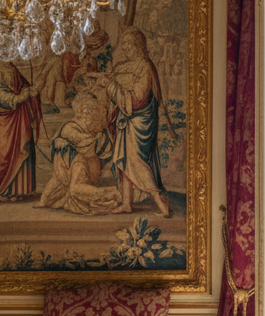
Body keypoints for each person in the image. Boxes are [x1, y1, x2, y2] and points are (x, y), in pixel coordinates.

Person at [102, 28, 176, 217]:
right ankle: (127, 203)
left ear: (138, 46)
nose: (124, 48)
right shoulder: (125, 65)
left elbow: (138, 100)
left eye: (128, 44)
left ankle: (160, 202)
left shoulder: (144, 66)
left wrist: (111, 87)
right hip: (125, 120)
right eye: (123, 44)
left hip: (139, 121)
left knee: (136, 161)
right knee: (124, 160)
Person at [38, 94, 119, 215]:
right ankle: (108, 193)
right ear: (85, 113)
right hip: (65, 171)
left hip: (83, 168)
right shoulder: (70, 127)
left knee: (75, 190)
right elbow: (87, 142)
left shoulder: (86, 134)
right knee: (46, 200)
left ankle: (113, 193)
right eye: (95, 116)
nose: (96, 122)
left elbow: (98, 148)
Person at [0, 61, 42, 205]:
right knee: (5, 153)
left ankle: (17, 190)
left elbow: (23, 86)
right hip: (4, 124)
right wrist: (18, 98)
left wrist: (31, 91)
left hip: (19, 119)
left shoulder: (11, 67)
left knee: (21, 151)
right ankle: (0, 189)